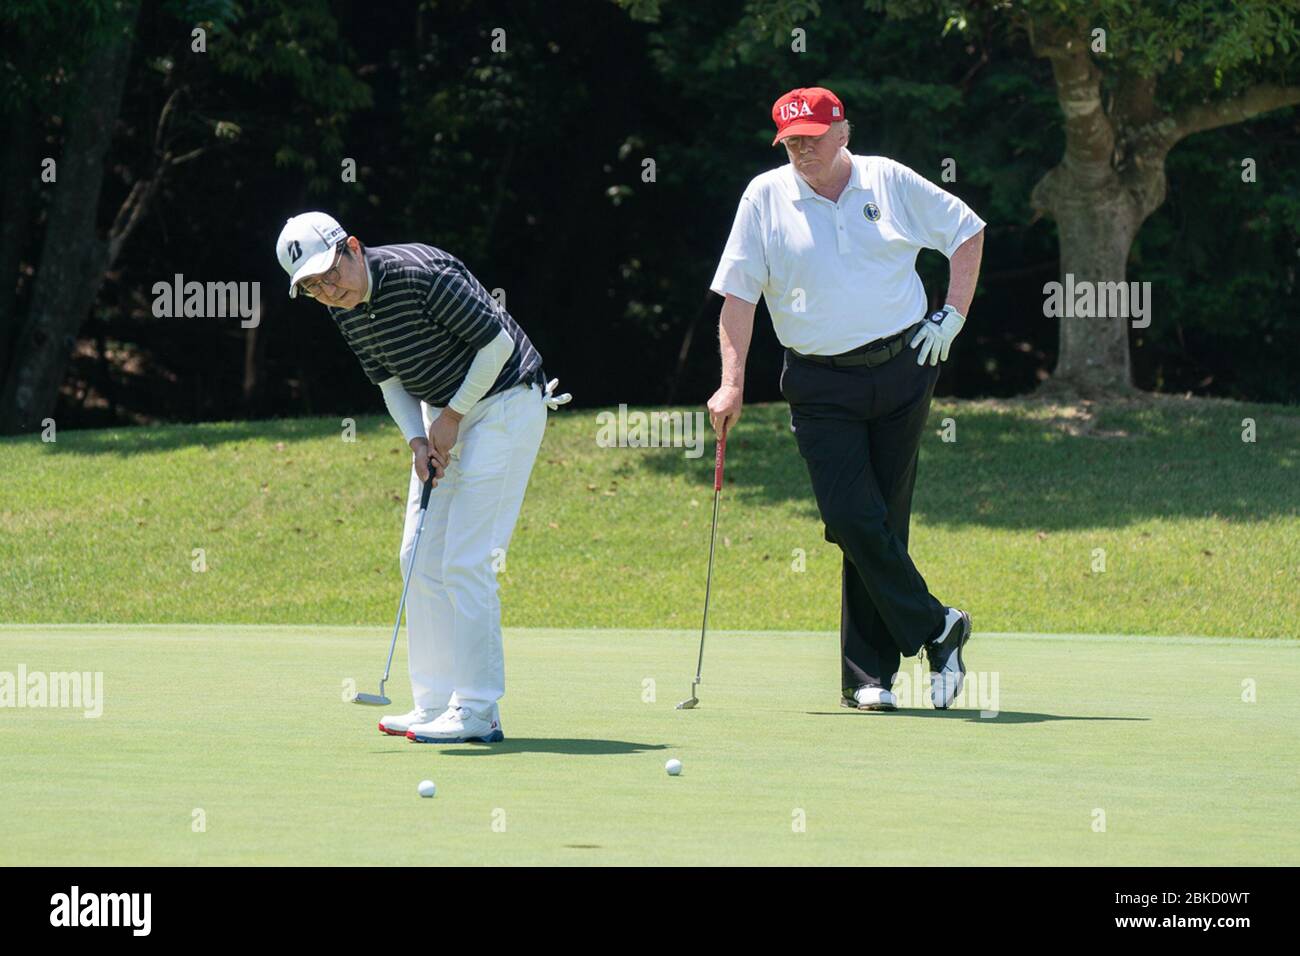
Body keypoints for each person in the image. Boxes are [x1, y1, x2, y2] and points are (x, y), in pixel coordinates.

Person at [706, 88, 985, 711]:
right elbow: (739, 297)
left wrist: (952, 317)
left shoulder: (888, 181)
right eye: (792, 140)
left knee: (883, 518)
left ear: (843, 134)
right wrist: (732, 382)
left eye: (812, 137)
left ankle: (869, 677)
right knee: (851, 517)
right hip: (819, 382)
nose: (802, 150)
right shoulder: (765, 196)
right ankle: (938, 626)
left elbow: (967, 232)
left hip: (905, 366)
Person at [275, 212, 570, 741]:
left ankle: (478, 709)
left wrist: (451, 418)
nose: (328, 290)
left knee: (465, 559)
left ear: (354, 248)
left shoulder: (421, 273)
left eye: (330, 273)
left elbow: (497, 345)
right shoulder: (343, 311)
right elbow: (390, 383)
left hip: (506, 404)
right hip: (444, 413)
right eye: (313, 287)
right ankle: (434, 702)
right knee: (418, 556)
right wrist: (418, 439)